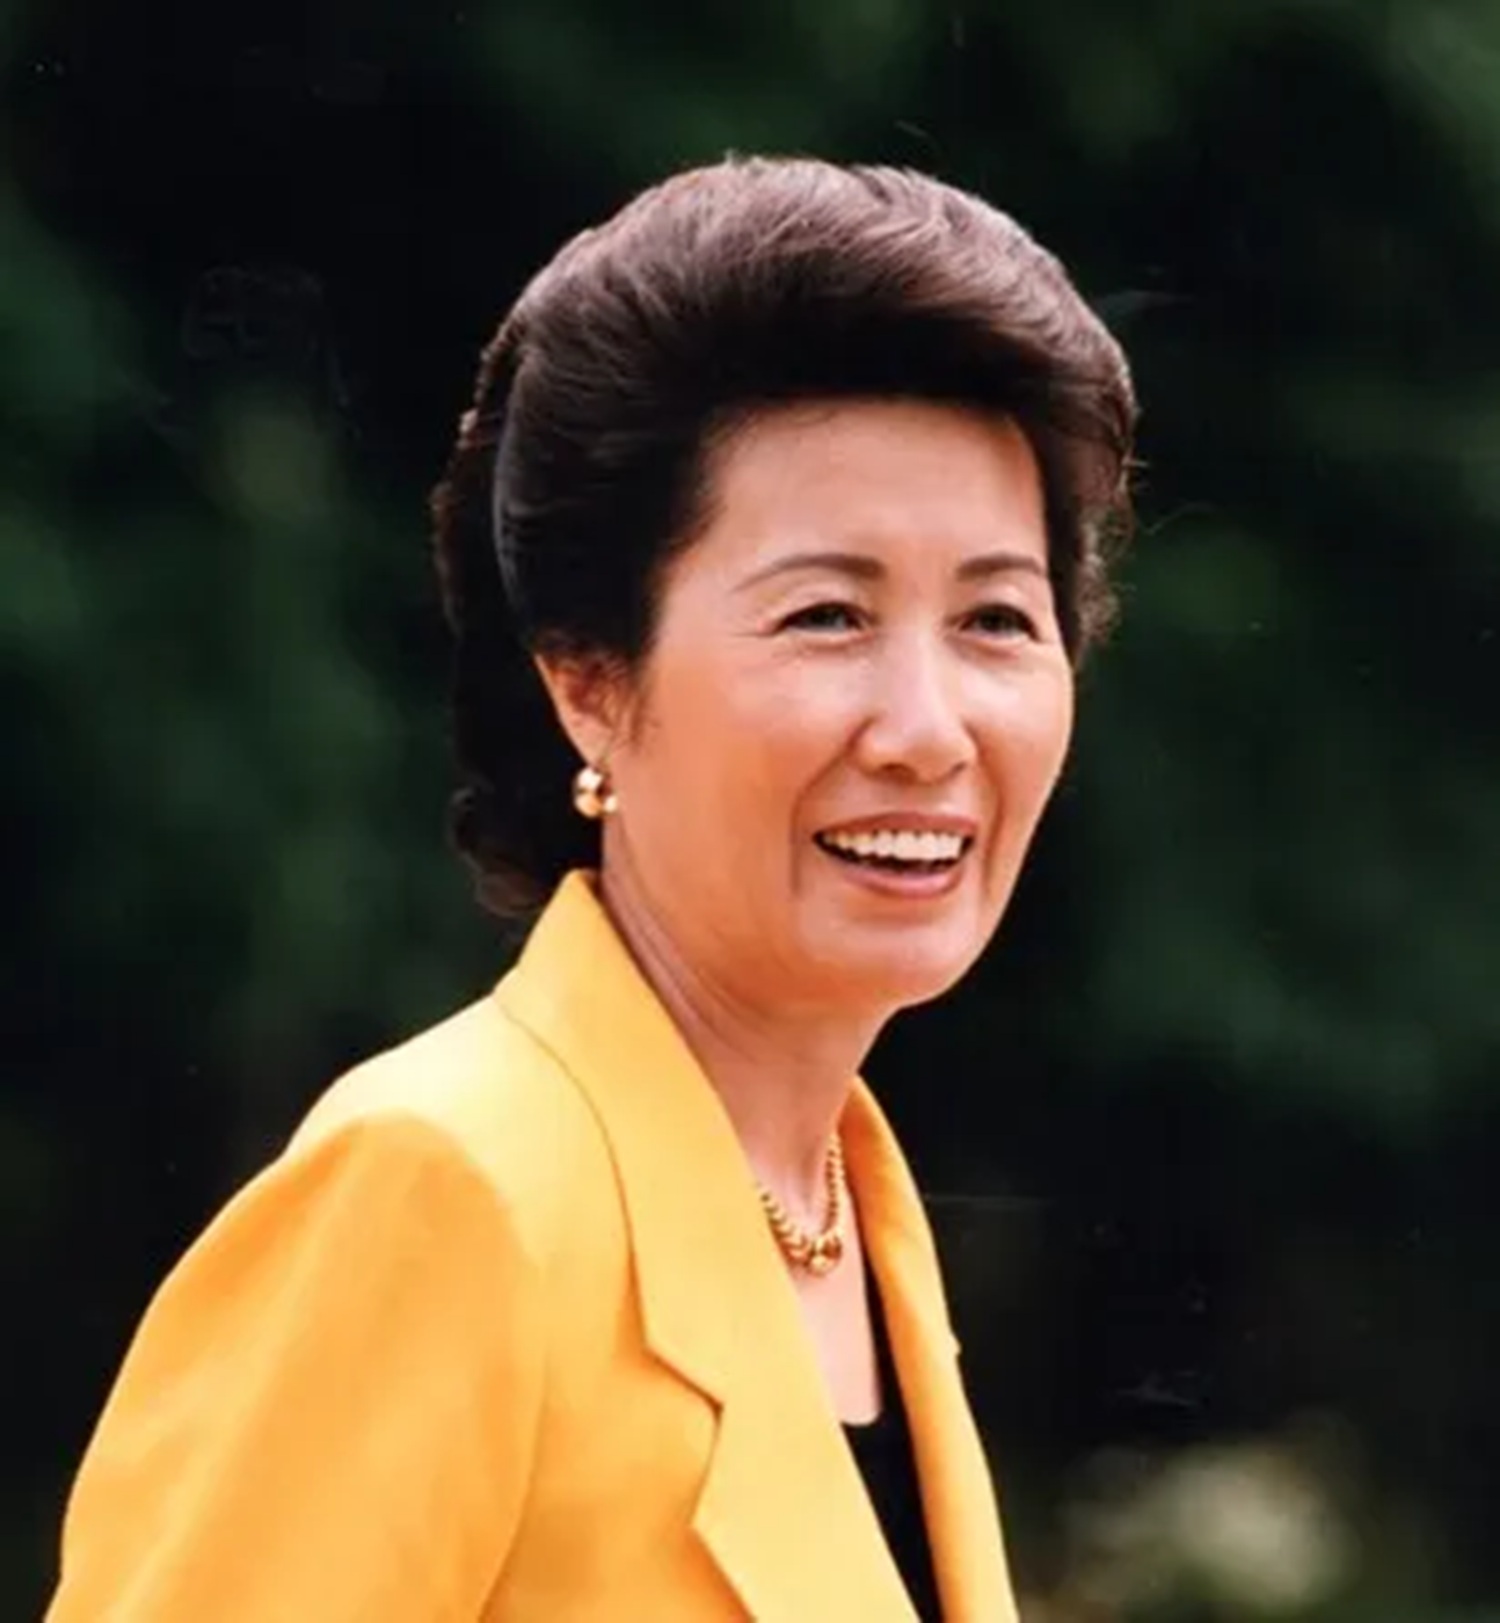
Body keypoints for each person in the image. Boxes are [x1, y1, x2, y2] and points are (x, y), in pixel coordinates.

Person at [47, 155, 1135, 1621]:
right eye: (828, 615)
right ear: (588, 681)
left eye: (996, 619)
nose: (928, 730)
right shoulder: (445, 1190)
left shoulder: (852, 1211)